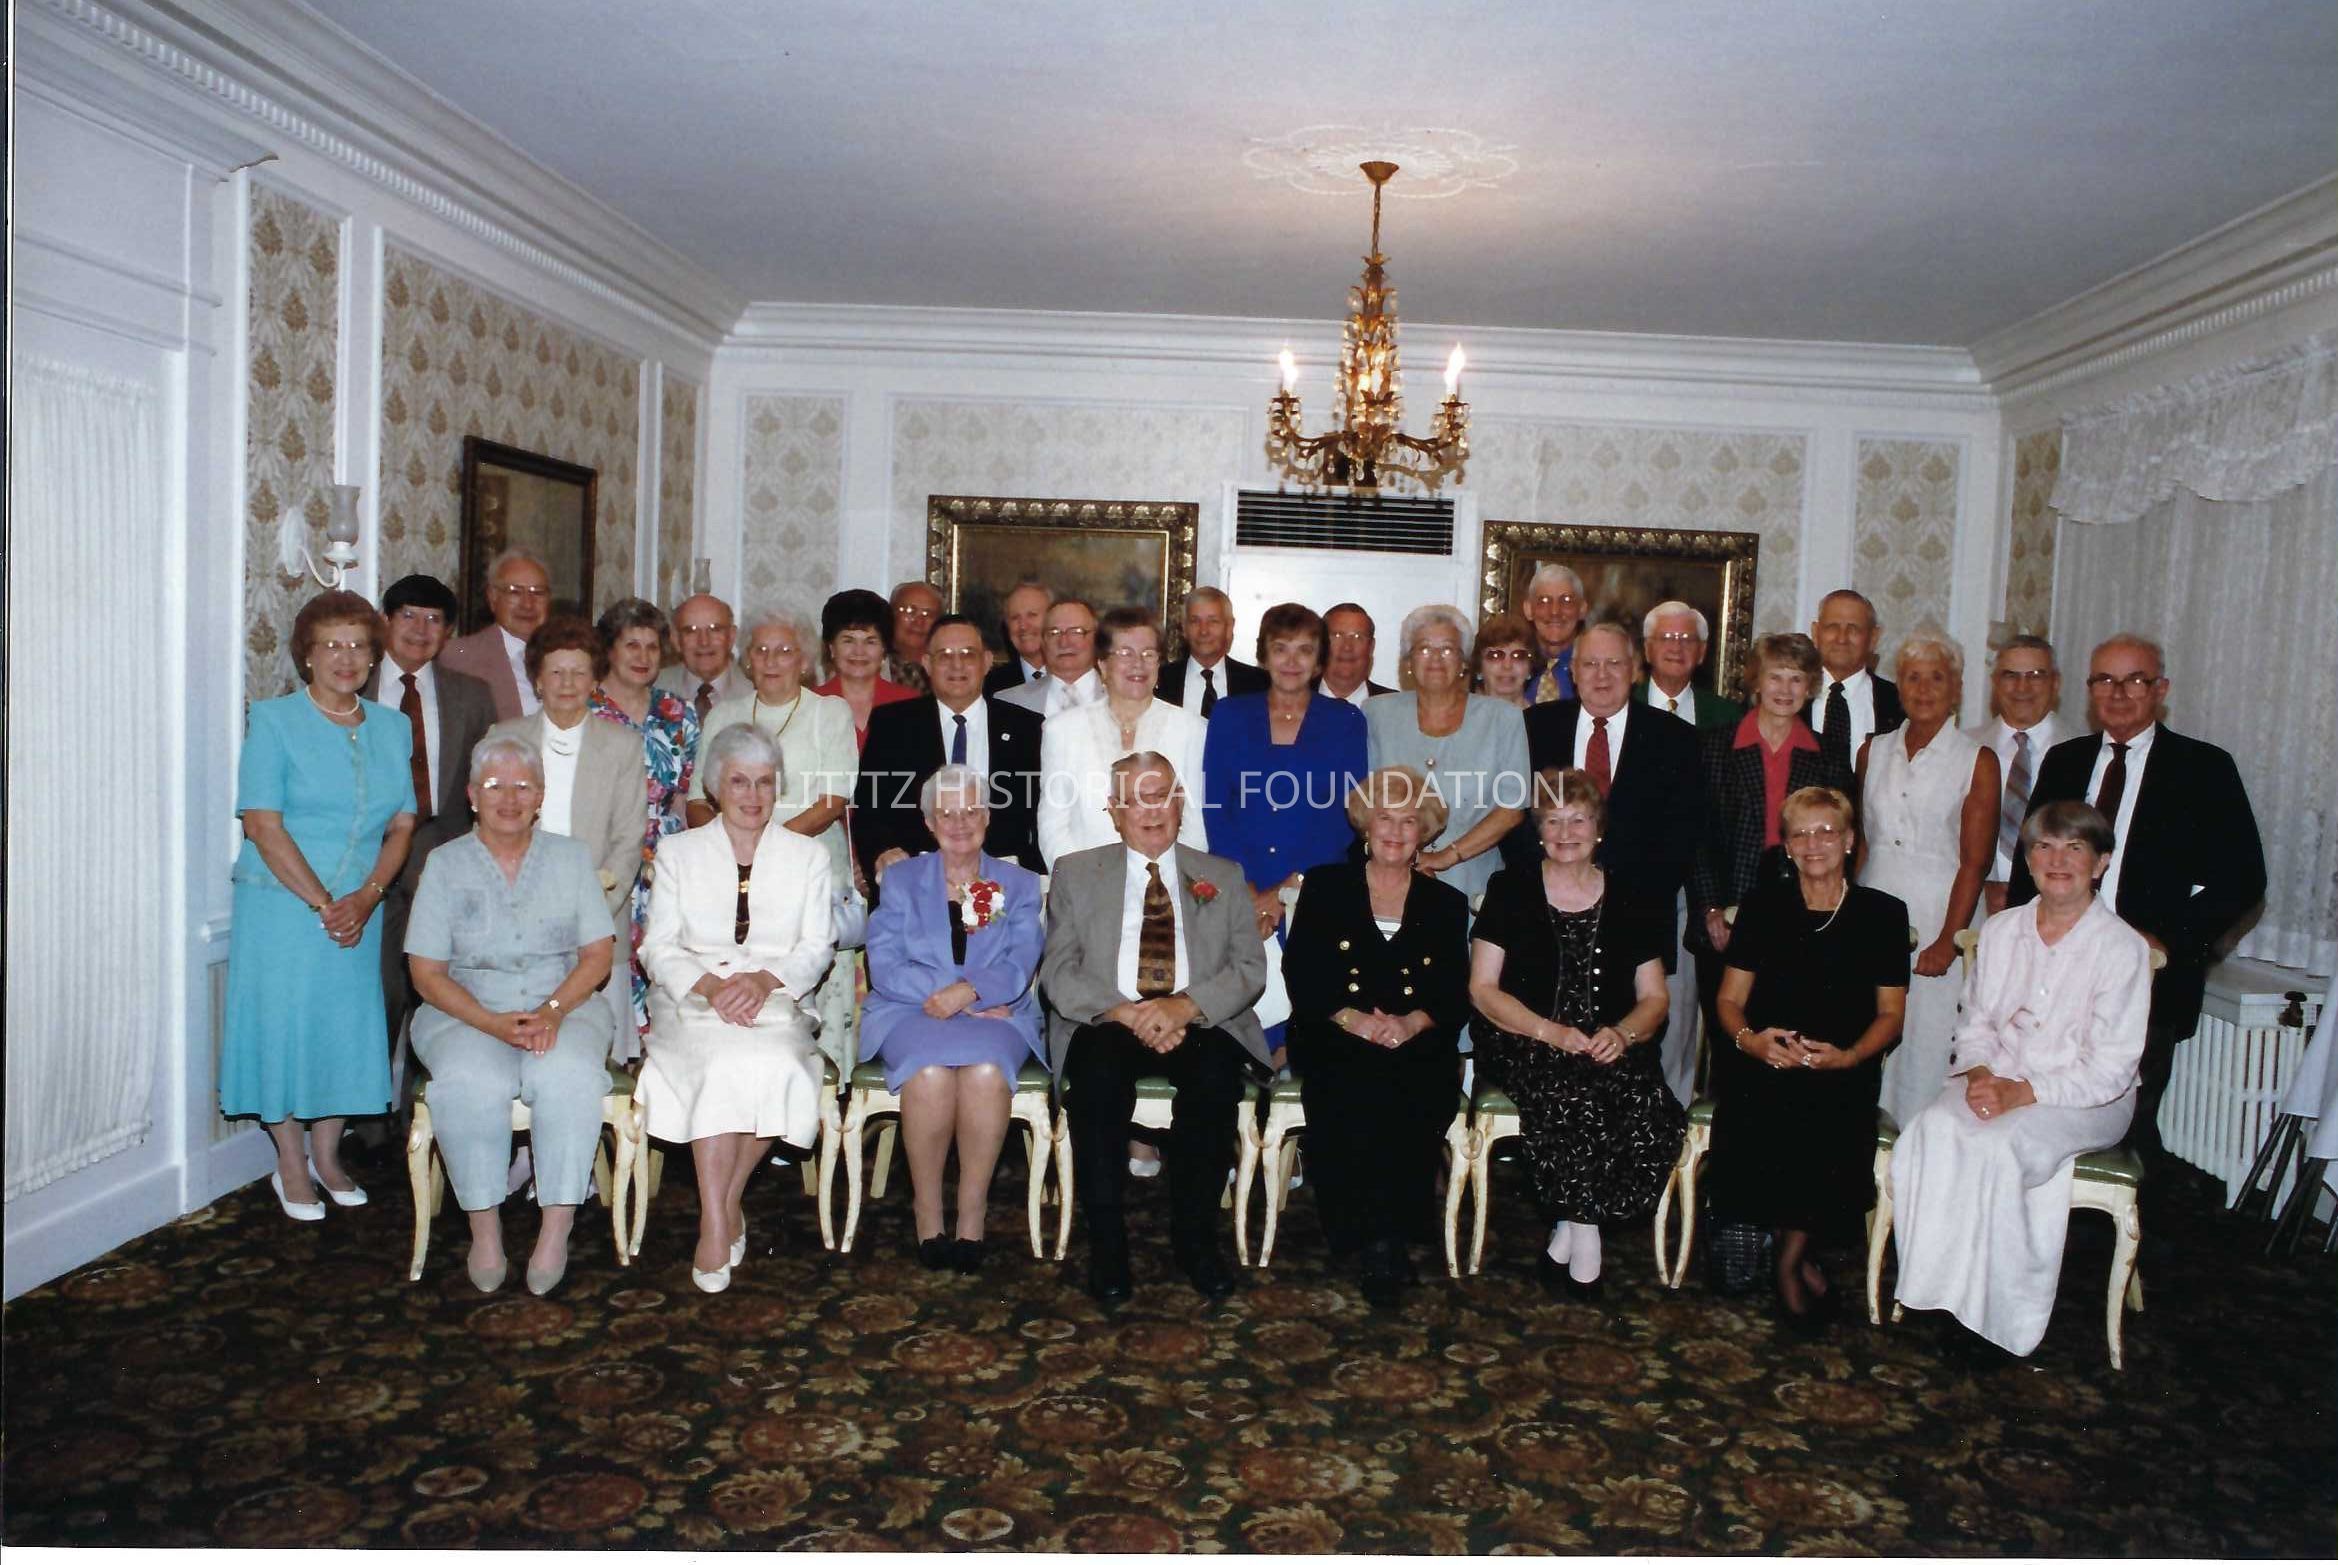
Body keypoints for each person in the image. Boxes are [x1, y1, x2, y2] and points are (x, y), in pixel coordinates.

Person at [1893, 800, 2152, 1357]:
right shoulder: (2003, 930)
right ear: (2028, 861)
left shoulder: (2122, 948)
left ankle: (1998, 1319)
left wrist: (2024, 1093)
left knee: (2002, 1146)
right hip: (1997, 1077)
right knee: (1934, 1129)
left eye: (2075, 848)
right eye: (2043, 847)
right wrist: (1982, 1074)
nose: (2058, 861)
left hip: (2085, 1098)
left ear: (2101, 863)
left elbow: (2111, 1067)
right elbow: (1976, 1023)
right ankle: (1939, 1294)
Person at [2008, 634, 2267, 1160]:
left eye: (2135, 680)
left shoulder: (2203, 768)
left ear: (2160, 689)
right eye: (2105, 680)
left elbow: (2243, 879)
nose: (2119, 693)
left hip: (2145, 979)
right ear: (2089, 690)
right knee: (2041, 1104)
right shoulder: (2064, 761)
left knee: (2126, 1124)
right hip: (2054, 971)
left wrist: (2165, 941)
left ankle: (2122, 1211)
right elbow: (2026, 864)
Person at [1041, 753, 1269, 1307]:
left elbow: (1248, 969)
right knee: (1097, 1080)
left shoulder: (1223, 874)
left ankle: (1196, 1240)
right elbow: (1059, 971)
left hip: (1199, 1018)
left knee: (1214, 1079)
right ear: (1114, 810)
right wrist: (1127, 1012)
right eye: (1136, 799)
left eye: (1162, 795)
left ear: (1180, 802)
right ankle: (1108, 1244)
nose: (1152, 810)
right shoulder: (1076, 872)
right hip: (1110, 1018)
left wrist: (1185, 1006)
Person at [219, 590, 417, 1218]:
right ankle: (289, 1162)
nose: (345, 657)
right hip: (283, 906)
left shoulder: (392, 727)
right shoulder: (274, 720)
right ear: (306, 654)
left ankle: (328, 1156)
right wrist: (327, 904)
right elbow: (262, 824)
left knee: (342, 1032)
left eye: (358, 645)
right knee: (283, 1029)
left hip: (361, 905)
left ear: (375, 656)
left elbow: (402, 825)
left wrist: (367, 896)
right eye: (331, 644)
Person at [404, 735, 617, 1295]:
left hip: (564, 1003)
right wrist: (491, 1023)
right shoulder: (444, 864)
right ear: (473, 796)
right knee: (469, 1081)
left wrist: (552, 1011)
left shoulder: (571, 857)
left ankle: (555, 1229)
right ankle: (485, 1230)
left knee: (567, 1074)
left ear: (540, 796)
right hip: (463, 1011)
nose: (509, 798)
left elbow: (598, 956)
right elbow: (426, 973)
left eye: (523, 786)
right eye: (495, 786)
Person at [638, 724, 836, 1293]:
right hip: (693, 1001)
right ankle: (715, 1219)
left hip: (775, 999)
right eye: (739, 781)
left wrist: (763, 980)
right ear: (715, 787)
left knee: (776, 1064)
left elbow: (816, 947)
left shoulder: (807, 856)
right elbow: (658, 947)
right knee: (719, 1064)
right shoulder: (678, 853)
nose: (753, 795)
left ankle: (724, 1205)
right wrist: (711, 986)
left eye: (765, 782)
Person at [1467, 769, 1680, 1296]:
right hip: (1522, 1036)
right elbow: (1483, 990)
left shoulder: (1631, 895)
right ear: (1539, 831)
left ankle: (1565, 1237)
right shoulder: (1509, 888)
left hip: (1610, 1039)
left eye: (1578, 820)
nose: (1566, 833)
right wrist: (1551, 1032)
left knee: (1651, 1107)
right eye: (1553, 821)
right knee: (1572, 1093)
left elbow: (1655, 997)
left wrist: (1623, 1034)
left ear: (1599, 829)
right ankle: (1588, 1253)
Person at [1709, 786, 1910, 1329]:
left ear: (1849, 841)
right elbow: (1728, 1001)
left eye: (1826, 832)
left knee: (1826, 1114)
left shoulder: (1883, 914)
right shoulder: (1762, 907)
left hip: (1842, 1064)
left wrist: (1850, 1057)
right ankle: (1793, 1255)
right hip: (1765, 1058)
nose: (1814, 843)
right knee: (1763, 1107)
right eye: (1800, 834)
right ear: (1787, 846)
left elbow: (1891, 1015)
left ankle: (1789, 1260)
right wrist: (1751, 1041)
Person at [1280, 767, 1469, 1306]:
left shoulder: (1446, 904)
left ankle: (1385, 1238)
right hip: (1335, 1028)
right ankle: (1375, 1238)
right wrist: (1354, 1020)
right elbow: (1303, 973)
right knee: (1353, 1084)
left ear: (1424, 833)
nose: (1395, 831)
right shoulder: (1326, 886)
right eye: (1385, 818)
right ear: (1366, 824)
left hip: (1416, 1036)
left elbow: (1453, 992)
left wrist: (1411, 1023)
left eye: (1409, 822)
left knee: (1412, 1085)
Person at [859, 765, 1046, 1272]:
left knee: (985, 1073)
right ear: (928, 822)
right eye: (946, 813)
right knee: (929, 1074)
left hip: (996, 1011)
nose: (959, 823)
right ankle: (927, 1211)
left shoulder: (1018, 883)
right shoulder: (900, 880)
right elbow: (885, 963)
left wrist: (970, 991)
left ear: (987, 816)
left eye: (971, 811)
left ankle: (971, 1212)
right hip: (908, 1009)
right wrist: (945, 995)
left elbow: (1021, 960)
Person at [1519, 621, 1705, 1102]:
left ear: (1636, 670)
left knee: (1641, 1069)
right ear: (1573, 672)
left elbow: (1681, 840)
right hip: (1548, 921)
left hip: (1637, 926)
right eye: (1590, 664)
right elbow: (1517, 823)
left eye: (1614, 664)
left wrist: (1619, 905)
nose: (1602, 675)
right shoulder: (1534, 728)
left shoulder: (1677, 739)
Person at [688, 611, 860, 1068]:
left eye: (784, 651)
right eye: (761, 650)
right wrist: (729, 850)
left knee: (807, 988)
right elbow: (698, 800)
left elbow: (832, 801)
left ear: (804, 660)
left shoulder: (829, 712)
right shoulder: (724, 714)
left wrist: (767, 850)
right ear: (747, 659)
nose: (771, 660)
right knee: (740, 990)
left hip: (810, 864)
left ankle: (822, 1093)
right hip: (730, 871)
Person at [1860, 631, 2000, 1128]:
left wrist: (1947, 940)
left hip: (1940, 916)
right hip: (1874, 908)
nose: (1923, 689)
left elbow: (1975, 861)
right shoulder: (1872, 751)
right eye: (1912, 678)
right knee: (1866, 1028)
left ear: (1957, 688)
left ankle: (1917, 1153)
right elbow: (1862, 843)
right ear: (1898, 685)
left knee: (1925, 1042)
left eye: (1936, 678)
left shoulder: (1976, 760)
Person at [485, 617, 647, 1040]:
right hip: (512, 920)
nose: (567, 683)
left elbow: (628, 841)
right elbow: (487, 832)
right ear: (538, 680)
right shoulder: (502, 737)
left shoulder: (624, 745)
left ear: (594, 680)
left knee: (592, 1045)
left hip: (596, 925)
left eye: (579, 672)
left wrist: (590, 917)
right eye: (556, 672)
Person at [362, 573, 495, 1063]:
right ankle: (371, 1109)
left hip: (442, 861)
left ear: (448, 632)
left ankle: (426, 1106)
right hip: (365, 861)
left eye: (434, 620)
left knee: (440, 1004)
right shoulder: (354, 687)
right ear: (385, 622)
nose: (420, 630)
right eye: (408, 616)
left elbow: (485, 782)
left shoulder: (472, 695)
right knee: (374, 1000)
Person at [1200, 602, 1368, 943]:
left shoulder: (1345, 721)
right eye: (1280, 649)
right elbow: (1216, 808)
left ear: (1319, 661)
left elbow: (1347, 815)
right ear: (1263, 656)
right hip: (1237, 891)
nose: (1292, 662)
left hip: (1315, 891)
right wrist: (1248, 891)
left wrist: (1289, 888)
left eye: (1304, 650)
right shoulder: (1229, 715)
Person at [856, 615, 1042, 887]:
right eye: (945, 655)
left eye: (968, 654)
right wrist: (882, 853)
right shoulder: (893, 724)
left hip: (1005, 881)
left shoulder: (1027, 727)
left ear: (987, 662)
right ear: (927, 663)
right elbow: (869, 809)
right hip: (916, 881)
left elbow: (1040, 815)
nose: (957, 665)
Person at [591, 597, 702, 1049]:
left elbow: (688, 795)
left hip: (666, 858)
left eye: (652, 647)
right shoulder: (585, 709)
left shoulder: (679, 712)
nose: (643, 656)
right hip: (604, 856)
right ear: (609, 650)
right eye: (631, 645)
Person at [1362, 606, 1528, 904]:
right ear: (1408, 661)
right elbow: (1364, 803)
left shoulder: (1503, 718)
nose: (1436, 658)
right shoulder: (1377, 713)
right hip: (1391, 879)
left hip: (1473, 883)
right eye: (1424, 648)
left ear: (1464, 662)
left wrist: (1446, 857)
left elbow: (1512, 809)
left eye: (1448, 649)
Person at [1037, 608, 1209, 867]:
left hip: (1166, 882)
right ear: (1103, 664)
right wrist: (1082, 881)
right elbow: (1053, 827)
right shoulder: (1061, 730)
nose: (1138, 664)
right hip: (1086, 879)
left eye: (1148, 654)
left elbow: (1197, 826)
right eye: (1126, 653)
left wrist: (1162, 879)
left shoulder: (1193, 730)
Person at [1967, 634, 2064, 916]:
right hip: (1977, 910)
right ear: (1995, 682)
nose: (2022, 688)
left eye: (2036, 675)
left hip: (2054, 910)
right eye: (2010, 675)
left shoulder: (2084, 751)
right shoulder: (1965, 747)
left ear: (2055, 683)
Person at [439, 549, 554, 720]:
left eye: (537, 592)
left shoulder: (572, 653)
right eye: (515, 592)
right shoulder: (457, 656)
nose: (528, 604)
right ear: (492, 597)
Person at [1803, 588, 1904, 770]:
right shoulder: (1788, 697)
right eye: (1832, 627)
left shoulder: (1900, 703)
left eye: (1854, 629)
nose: (1842, 638)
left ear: (1873, 638)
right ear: (1815, 633)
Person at [814, 588, 918, 746]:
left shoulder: (910, 705)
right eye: (848, 640)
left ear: (884, 650)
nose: (859, 651)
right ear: (831, 648)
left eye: (870, 641)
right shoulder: (811, 705)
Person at [1635, 600, 1744, 733]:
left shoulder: (1727, 715)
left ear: (1701, 652)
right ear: (1647, 649)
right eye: (1666, 638)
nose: (1676, 648)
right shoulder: (1623, 706)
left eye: (1687, 639)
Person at [1156, 586, 1265, 716]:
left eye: (1213, 621)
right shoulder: (1159, 681)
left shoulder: (1258, 684)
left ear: (1229, 627)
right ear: (1184, 628)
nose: (1203, 631)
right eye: (1195, 621)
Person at [996, 597, 1104, 718]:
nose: (1064, 642)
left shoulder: (1119, 698)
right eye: (1054, 633)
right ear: (1043, 642)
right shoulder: (1006, 702)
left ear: (1097, 639)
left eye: (1076, 632)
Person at [659, 593, 746, 720]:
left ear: (731, 637)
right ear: (676, 640)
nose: (704, 642)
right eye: (691, 631)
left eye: (714, 629)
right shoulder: (652, 690)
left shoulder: (756, 694)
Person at [1520, 563, 1586, 704]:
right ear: (1528, 609)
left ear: (1582, 609)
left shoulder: (1596, 671)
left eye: (1566, 601)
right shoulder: (1512, 668)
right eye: (1544, 601)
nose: (1555, 611)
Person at [983, 579, 1053, 695]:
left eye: (1032, 615)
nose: (1023, 626)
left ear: (1053, 619)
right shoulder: (989, 687)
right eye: (1015, 618)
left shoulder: (1076, 679)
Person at [1319, 602, 1393, 706]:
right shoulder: (1295, 699)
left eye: (1358, 637)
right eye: (1337, 635)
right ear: (1320, 644)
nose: (1347, 647)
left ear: (1371, 646)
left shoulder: (1397, 707)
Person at [1470, 612, 1542, 709]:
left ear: (1530, 669)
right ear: (1479, 668)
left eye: (1518, 656)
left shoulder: (1543, 718)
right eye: (1495, 656)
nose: (1507, 665)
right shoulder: (1460, 718)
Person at [885, 580, 945, 695]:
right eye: (910, 611)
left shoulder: (950, 672)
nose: (919, 622)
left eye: (928, 614)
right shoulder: (870, 666)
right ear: (891, 614)